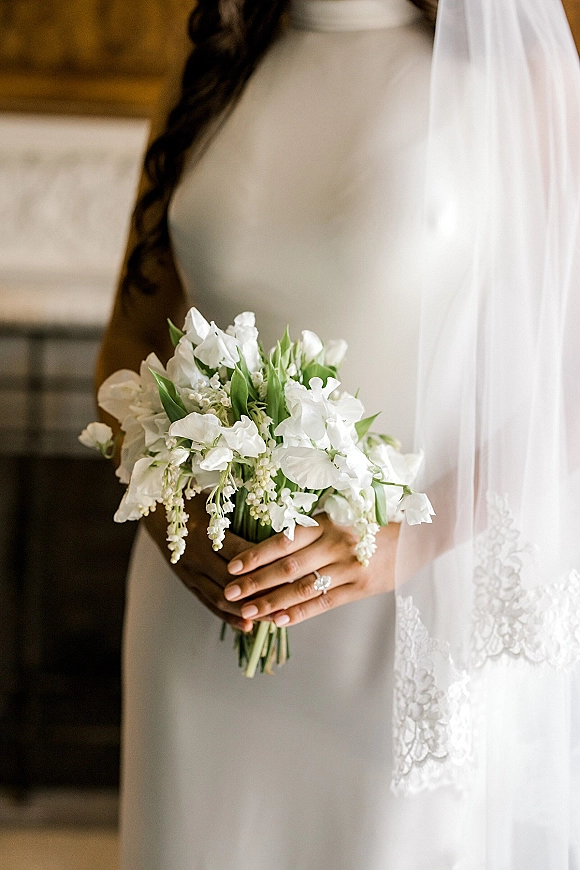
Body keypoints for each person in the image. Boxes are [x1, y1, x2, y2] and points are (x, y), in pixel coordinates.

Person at [96, 0, 580, 867]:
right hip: (198, 605)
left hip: (404, 623)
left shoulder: (515, 79)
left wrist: (404, 544)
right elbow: (126, 350)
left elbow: (564, 383)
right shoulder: (209, 66)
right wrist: (178, 524)